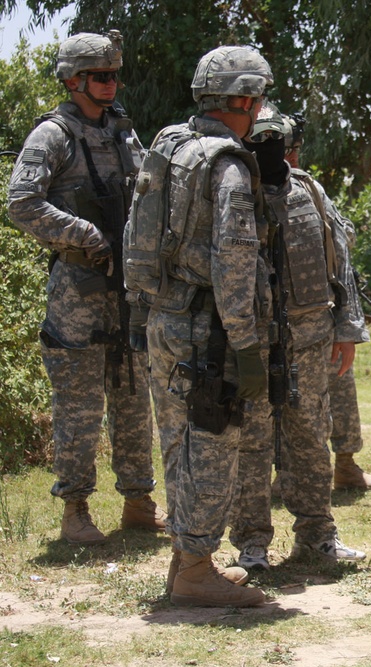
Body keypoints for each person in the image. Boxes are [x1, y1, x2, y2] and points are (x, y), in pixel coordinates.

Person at [123, 45, 274, 607]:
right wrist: (248, 345)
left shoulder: (169, 147)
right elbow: (234, 261)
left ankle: (187, 559)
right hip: (209, 329)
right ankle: (194, 570)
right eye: (257, 100)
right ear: (244, 101)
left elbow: (135, 233)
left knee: (178, 444)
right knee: (212, 446)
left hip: (164, 315)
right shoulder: (227, 165)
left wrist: (140, 309)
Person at [6, 30, 164, 545]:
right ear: (73, 80)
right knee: (78, 403)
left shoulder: (123, 132)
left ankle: (139, 502)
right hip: (79, 286)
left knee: (134, 394)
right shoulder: (53, 135)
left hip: (128, 286)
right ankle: (75, 510)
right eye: (100, 75)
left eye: (114, 74)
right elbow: (21, 203)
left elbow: (148, 192)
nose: (110, 83)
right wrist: (85, 234)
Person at [229, 102, 367, 570]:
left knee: (310, 437)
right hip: (249, 342)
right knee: (251, 443)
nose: (268, 149)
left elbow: (339, 262)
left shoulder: (309, 190)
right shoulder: (231, 191)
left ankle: (318, 537)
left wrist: (346, 329)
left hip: (309, 340)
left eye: (276, 141)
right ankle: (251, 544)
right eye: (258, 140)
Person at [275, 114, 371, 493]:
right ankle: (286, 474)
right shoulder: (248, 188)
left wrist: (347, 326)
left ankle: (347, 466)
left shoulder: (310, 188)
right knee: (281, 398)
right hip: (275, 317)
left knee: (339, 388)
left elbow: (342, 251)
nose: (291, 157)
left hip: (320, 313)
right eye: (286, 150)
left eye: (294, 149)